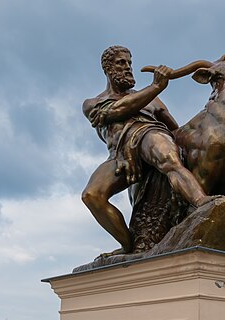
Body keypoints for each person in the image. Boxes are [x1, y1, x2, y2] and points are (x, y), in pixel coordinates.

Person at [81, 45, 212, 255]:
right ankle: (128, 245)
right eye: (121, 63)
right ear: (107, 68)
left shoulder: (153, 100)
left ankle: (202, 202)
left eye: (129, 63)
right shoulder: (93, 103)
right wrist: (156, 87)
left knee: (168, 158)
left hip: (150, 133)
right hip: (120, 154)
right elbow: (119, 110)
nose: (127, 67)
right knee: (92, 195)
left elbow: (176, 129)